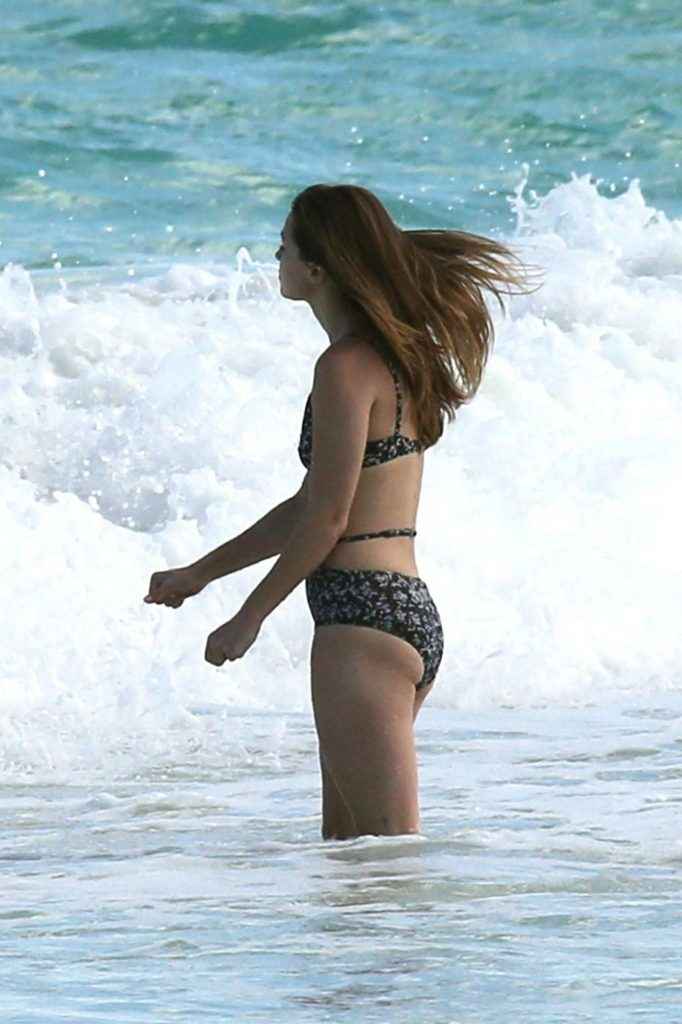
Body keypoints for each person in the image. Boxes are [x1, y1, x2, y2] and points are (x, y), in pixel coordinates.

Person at [143, 183, 542, 840]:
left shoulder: (344, 368)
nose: (277, 255)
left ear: (319, 268)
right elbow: (312, 501)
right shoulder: (397, 358)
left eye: (286, 246)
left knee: (387, 858)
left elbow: (327, 521)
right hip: (402, 610)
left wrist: (249, 617)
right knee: (352, 862)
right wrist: (201, 574)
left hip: (360, 620)